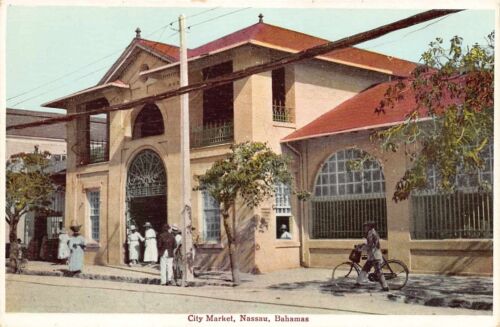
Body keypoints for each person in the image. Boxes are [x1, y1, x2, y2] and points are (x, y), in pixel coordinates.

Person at [356, 221, 389, 291]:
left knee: (378, 272)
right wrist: (363, 245)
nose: (364, 228)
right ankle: (358, 283)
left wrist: (361, 249)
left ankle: (385, 287)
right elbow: (370, 244)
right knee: (365, 269)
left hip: (375, 256)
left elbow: (370, 246)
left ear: (369, 227)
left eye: (366, 226)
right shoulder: (371, 232)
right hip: (372, 255)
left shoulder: (371, 233)